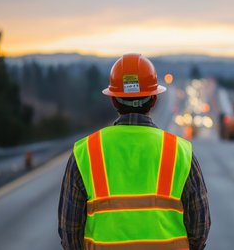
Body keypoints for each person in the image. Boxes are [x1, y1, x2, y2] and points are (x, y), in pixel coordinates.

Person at [58, 53, 210, 250]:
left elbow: (69, 231)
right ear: (154, 99)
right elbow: (200, 228)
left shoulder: (85, 151)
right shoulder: (181, 152)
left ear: (114, 101)